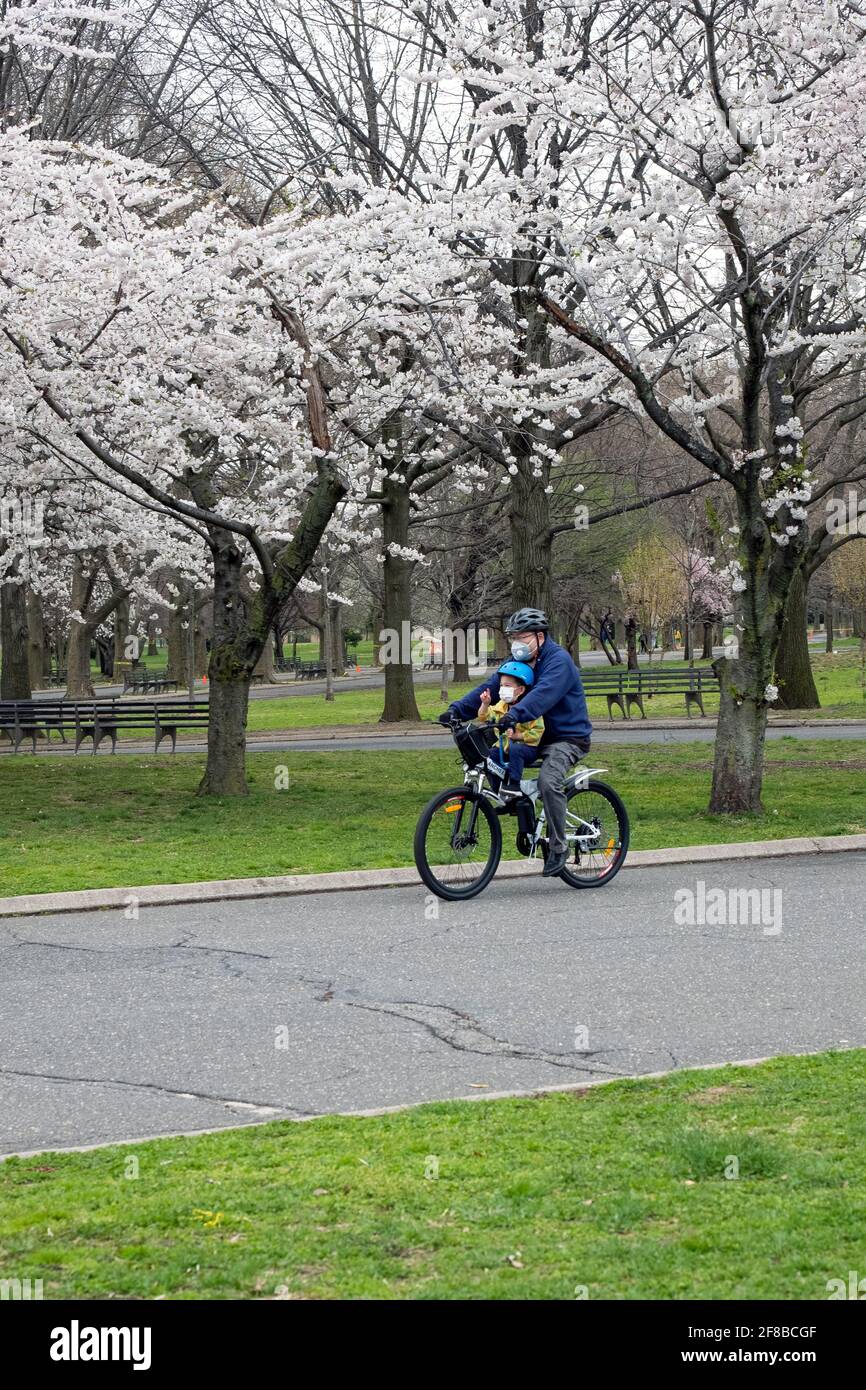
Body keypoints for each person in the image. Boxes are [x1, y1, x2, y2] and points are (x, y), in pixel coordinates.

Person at [442, 607, 592, 879]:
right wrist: (456, 710)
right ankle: (519, 805)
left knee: (548, 782)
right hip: (527, 736)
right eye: (514, 637)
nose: (517, 643)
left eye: (523, 637)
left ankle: (559, 848)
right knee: (492, 760)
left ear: (540, 636)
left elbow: (544, 696)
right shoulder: (517, 661)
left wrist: (514, 715)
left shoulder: (558, 661)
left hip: (566, 738)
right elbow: (489, 690)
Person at [475, 660, 544, 798]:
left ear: (521, 689)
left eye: (507, 685)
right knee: (489, 758)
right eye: (501, 685)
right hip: (504, 747)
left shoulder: (530, 709)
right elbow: (484, 716)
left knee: (516, 749)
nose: (502, 689)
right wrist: (485, 704)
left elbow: (538, 731)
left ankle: (514, 785)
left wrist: (519, 736)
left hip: (527, 748)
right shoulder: (501, 706)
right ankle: (499, 792)